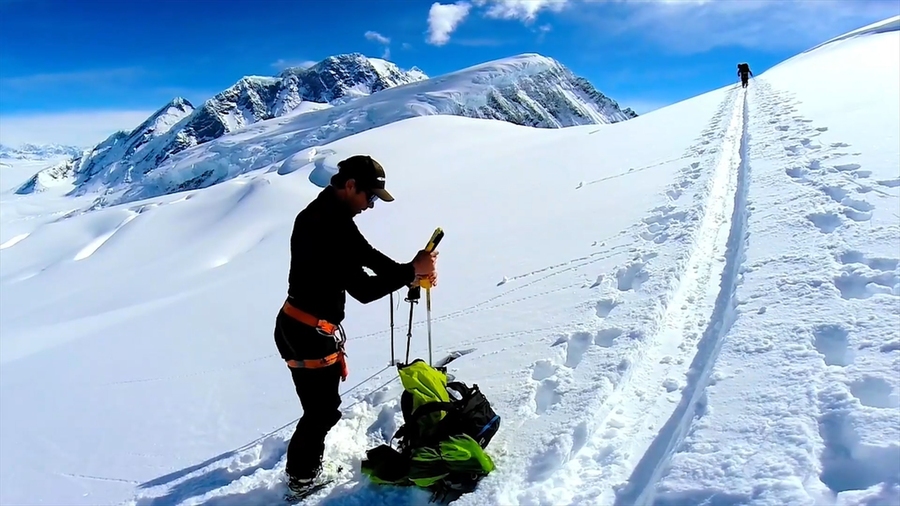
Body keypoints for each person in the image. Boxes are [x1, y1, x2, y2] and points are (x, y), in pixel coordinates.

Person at [273, 154, 438, 495]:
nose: (371, 206)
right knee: (320, 413)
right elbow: (362, 289)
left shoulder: (328, 213)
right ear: (350, 186)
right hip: (309, 333)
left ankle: (303, 470)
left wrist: (411, 271)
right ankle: (301, 479)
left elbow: (367, 255)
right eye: (370, 197)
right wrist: (410, 272)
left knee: (319, 409)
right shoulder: (327, 225)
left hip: (299, 326)